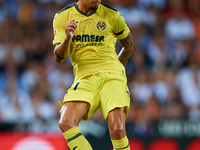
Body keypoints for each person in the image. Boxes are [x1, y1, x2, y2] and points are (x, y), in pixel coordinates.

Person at [52, 0, 134, 149]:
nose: (98, 0)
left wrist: (116, 69)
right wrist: (68, 37)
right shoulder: (62, 17)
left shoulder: (113, 16)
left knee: (117, 129)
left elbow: (128, 45)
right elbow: (59, 57)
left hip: (111, 75)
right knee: (65, 122)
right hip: (84, 78)